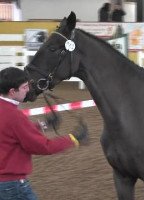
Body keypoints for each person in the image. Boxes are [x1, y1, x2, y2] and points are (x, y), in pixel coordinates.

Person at [0, 67, 88, 200]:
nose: (28, 90)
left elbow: (12, 133)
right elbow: (43, 146)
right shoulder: (15, 116)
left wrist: (44, 125)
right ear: (12, 91)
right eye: (24, 87)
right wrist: (74, 138)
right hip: (13, 185)